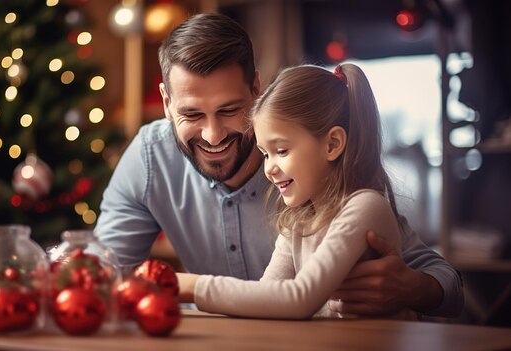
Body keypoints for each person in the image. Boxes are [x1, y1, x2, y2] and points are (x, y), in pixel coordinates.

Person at [94, 13, 463, 318]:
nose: (212, 134)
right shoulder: (150, 157)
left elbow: (444, 281)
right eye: (191, 113)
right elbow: (103, 270)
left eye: (230, 110)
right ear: (165, 101)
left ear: (256, 88)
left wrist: (414, 287)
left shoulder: (328, 179)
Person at [176, 63, 420, 319]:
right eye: (264, 154)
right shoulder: (298, 223)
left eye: (281, 151)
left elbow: (300, 299)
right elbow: (267, 298)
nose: (269, 168)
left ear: (332, 144)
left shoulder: (365, 207)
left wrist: (194, 287)